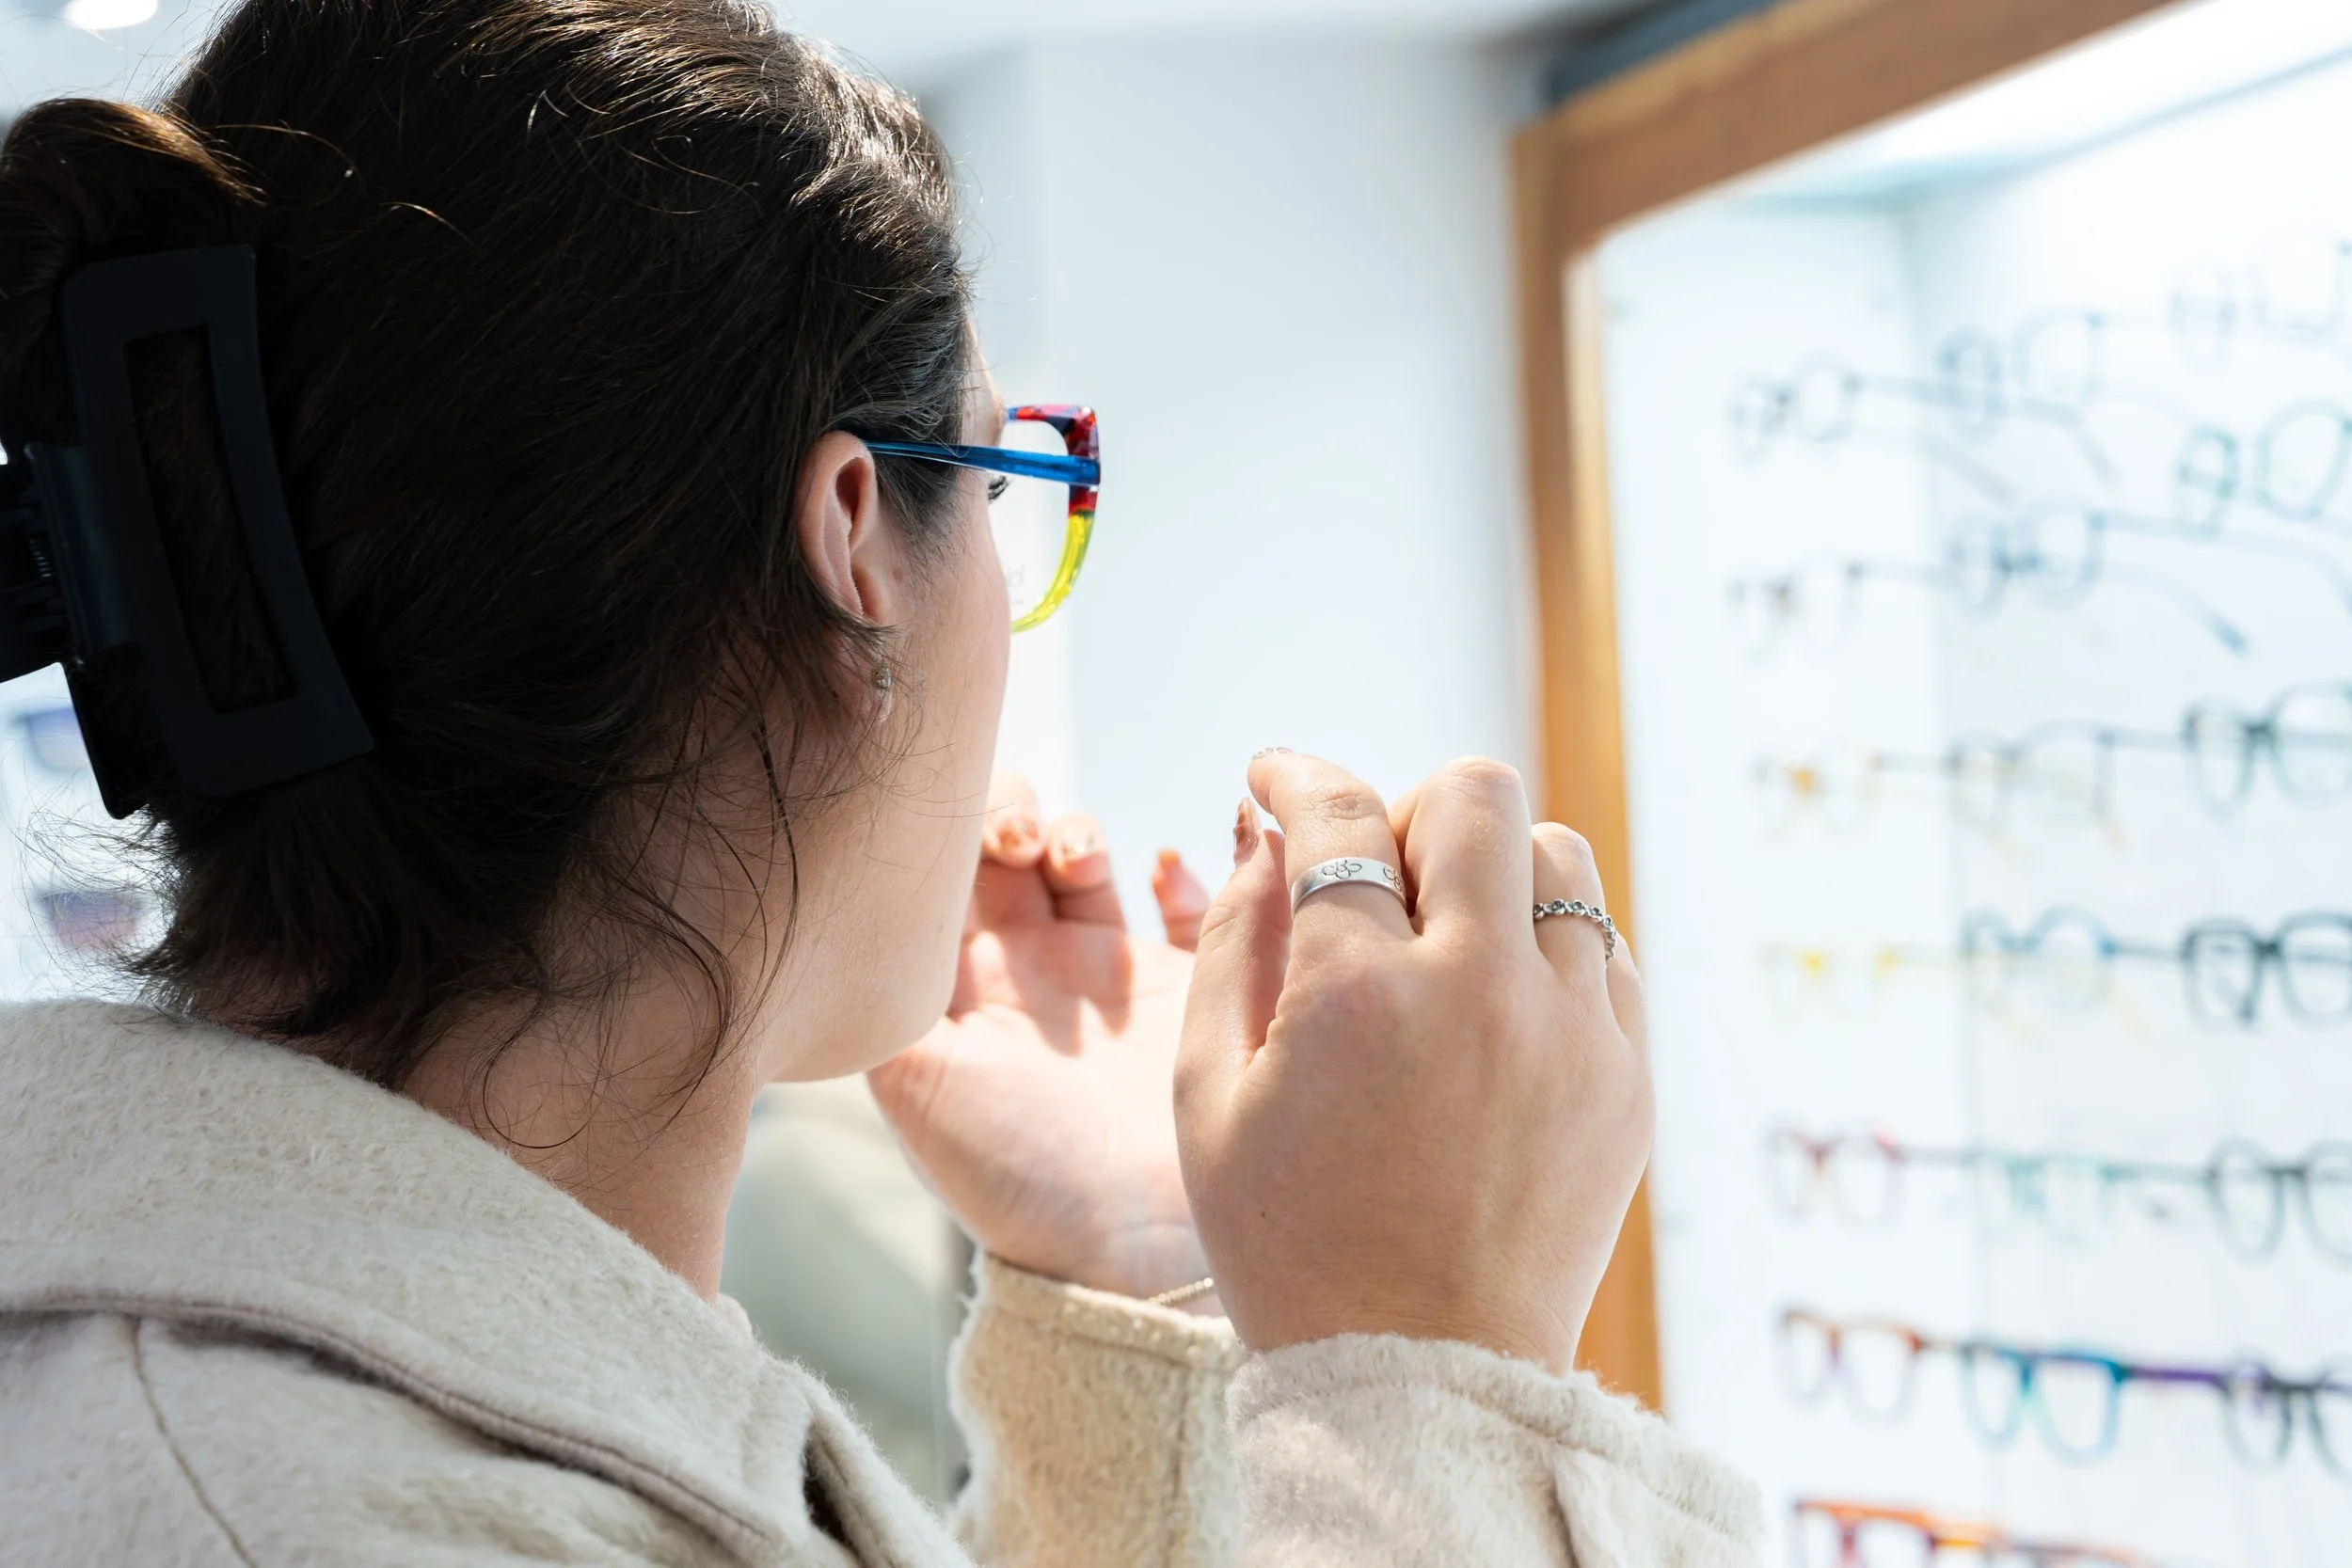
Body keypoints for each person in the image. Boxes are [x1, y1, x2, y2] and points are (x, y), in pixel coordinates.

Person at [0, 2, 1762, 1563]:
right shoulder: (299, 1511)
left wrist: (1122, 1263)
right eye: (1000, 483)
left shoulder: (270, 1404)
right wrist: (1432, 1373)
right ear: (853, 536)